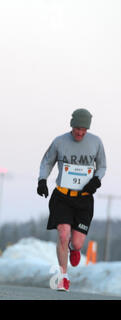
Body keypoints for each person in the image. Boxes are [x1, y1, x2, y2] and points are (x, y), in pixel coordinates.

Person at [37, 108, 106, 292]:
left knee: (76, 243)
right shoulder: (60, 142)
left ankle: (74, 250)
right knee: (62, 234)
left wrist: (96, 180)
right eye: (77, 129)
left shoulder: (96, 142)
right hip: (63, 196)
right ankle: (63, 276)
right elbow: (47, 162)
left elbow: (102, 166)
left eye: (84, 130)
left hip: (83, 200)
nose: (80, 133)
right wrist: (42, 180)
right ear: (72, 125)